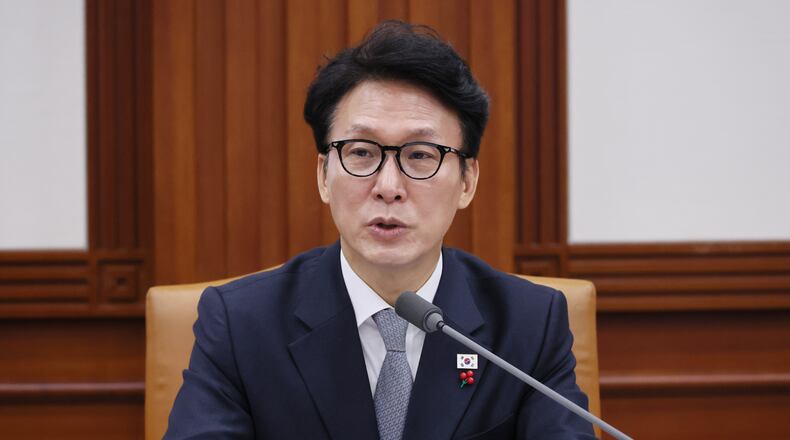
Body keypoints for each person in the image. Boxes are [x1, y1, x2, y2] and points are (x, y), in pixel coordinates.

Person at [165, 21, 594, 439]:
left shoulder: (528, 325)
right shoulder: (242, 325)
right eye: (362, 152)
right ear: (323, 176)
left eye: (421, 155)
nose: (388, 187)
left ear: (467, 182)